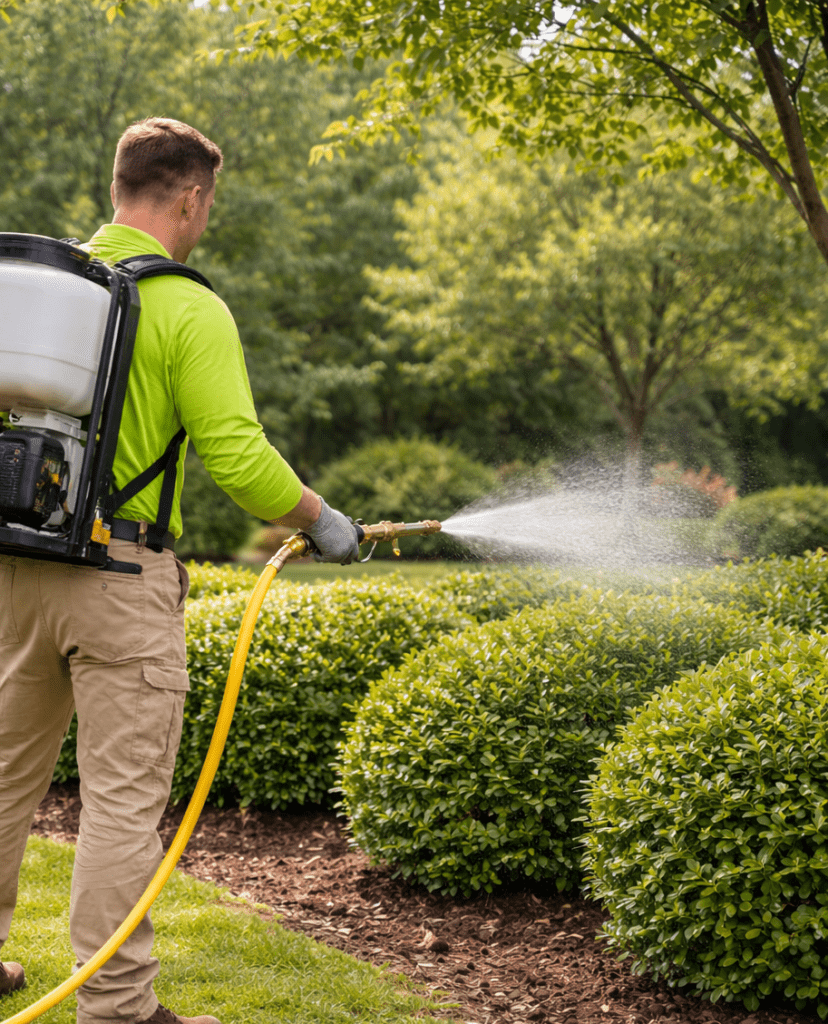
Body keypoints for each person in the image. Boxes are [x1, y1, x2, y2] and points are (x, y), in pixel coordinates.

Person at [0, 117, 360, 1024]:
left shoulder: (41, 291)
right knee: (121, 803)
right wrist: (323, 522)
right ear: (190, 198)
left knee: (4, 774)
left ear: (117, 186)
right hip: (121, 583)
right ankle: (117, 1007)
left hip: (19, 566)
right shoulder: (188, 305)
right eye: (208, 206)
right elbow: (239, 462)